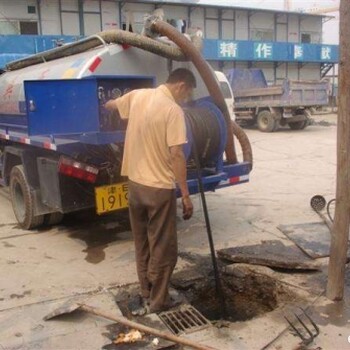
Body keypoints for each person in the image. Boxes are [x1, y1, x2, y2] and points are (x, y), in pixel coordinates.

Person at [105, 68, 195, 314]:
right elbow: (176, 154)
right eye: (187, 93)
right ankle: (158, 301)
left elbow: (112, 104)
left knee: (141, 241)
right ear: (180, 86)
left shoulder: (138, 96)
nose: (186, 98)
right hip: (158, 189)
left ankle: (146, 291)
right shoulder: (173, 110)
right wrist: (185, 195)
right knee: (163, 246)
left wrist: (106, 103)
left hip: (135, 185)